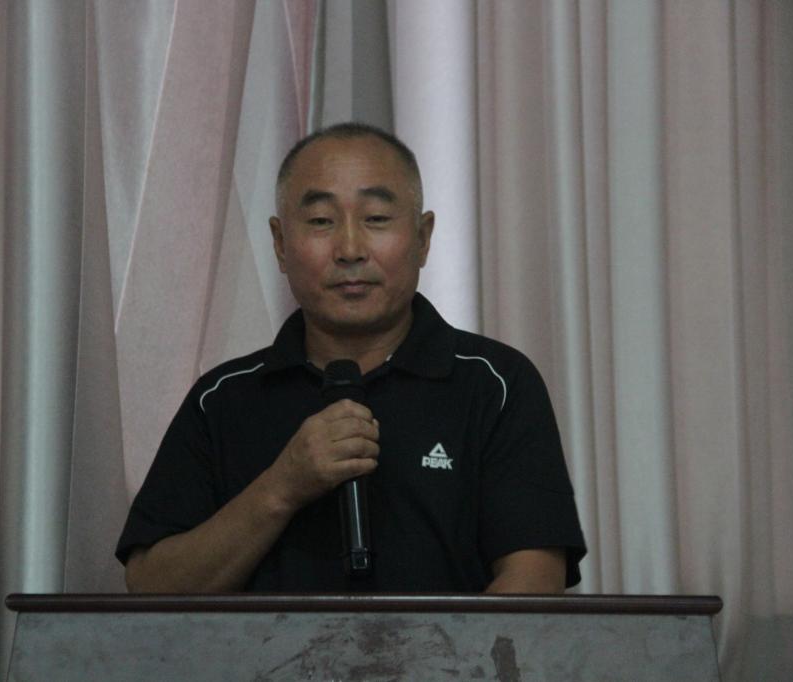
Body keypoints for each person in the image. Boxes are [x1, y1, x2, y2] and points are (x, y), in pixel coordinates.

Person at [116, 122, 586, 593]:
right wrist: (282, 486)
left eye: (376, 219)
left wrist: (412, 647)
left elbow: (535, 579)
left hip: (443, 648)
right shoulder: (223, 399)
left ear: (423, 237)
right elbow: (150, 586)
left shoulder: (496, 385)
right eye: (321, 221)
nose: (350, 249)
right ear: (280, 244)